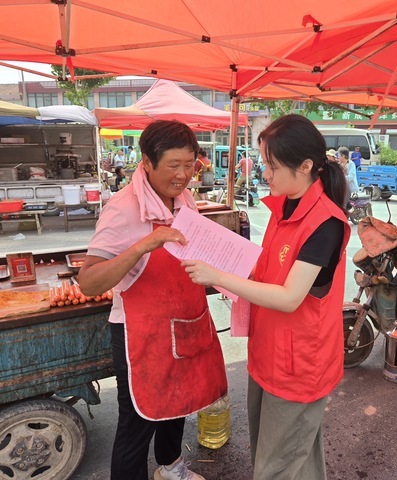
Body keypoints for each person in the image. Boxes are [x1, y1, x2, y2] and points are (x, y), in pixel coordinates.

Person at [181, 114, 351, 480]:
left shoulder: (326, 223)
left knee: (275, 467)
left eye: (272, 166)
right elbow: (266, 268)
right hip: (268, 352)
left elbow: (290, 297)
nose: (265, 174)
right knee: (289, 455)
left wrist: (219, 275)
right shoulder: (283, 204)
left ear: (306, 166)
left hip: (299, 364)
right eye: (263, 163)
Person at [77, 120, 227, 480]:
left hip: (184, 322)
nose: (183, 175)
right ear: (147, 161)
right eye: (173, 165)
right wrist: (146, 243)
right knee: (137, 422)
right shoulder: (122, 208)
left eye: (189, 165)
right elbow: (89, 281)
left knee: (179, 404)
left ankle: (172, 467)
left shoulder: (183, 197)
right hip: (140, 335)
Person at [338, 146, 359, 210]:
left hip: (350, 189)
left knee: (343, 206)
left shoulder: (351, 164)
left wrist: (341, 179)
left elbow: (351, 177)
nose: (338, 156)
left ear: (343, 156)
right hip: (341, 189)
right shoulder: (339, 164)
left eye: (339, 155)